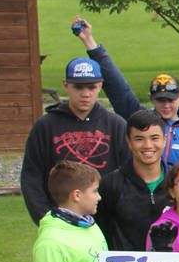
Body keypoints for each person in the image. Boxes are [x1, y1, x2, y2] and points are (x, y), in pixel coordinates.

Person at [73, 19, 179, 166]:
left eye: (171, 100)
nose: (166, 105)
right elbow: (117, 87)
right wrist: (89, 41)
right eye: (160, 100)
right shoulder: (140, 119)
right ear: (151, 98)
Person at [21, 55, 129, 223]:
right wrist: (45, 218)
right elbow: (31, 177)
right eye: (78, 87)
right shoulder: (46, 125)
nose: (85, 94)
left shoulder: (116, 125)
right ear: (66, 85)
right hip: (60, 220)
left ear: (100, 85)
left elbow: (128, 175)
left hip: (109, 220)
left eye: (91, 87)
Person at [94, 109, 169, 251]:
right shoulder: (111, 185)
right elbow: (100, 234)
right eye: (139, 139)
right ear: (128, 142)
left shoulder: (178, 182)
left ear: (164, 140)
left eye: (154, 138)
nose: (148, 145)